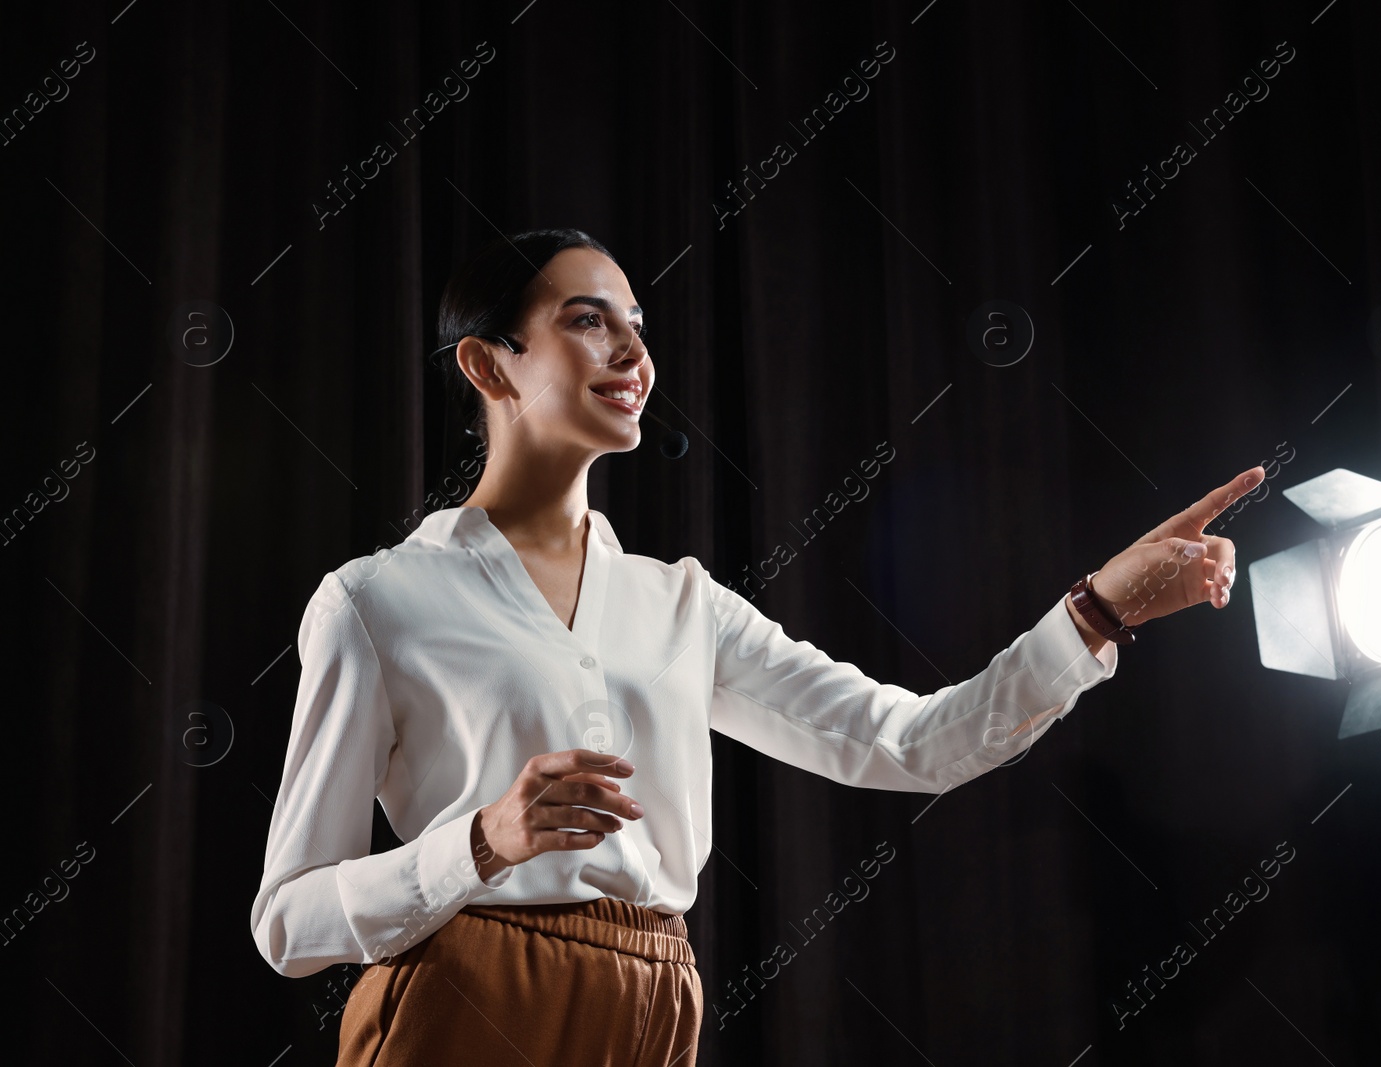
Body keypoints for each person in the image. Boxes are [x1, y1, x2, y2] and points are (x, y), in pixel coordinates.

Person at [249, 227, 1261, 1066]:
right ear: (486, 361)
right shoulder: (378, 600)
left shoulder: (683, 603)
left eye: (638, 328)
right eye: (586, 320)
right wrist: (477, 841)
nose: (633, 354)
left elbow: (913, 743)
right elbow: (288, 923)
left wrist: (1094, 610)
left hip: (656, 1002)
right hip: (466, 1003)